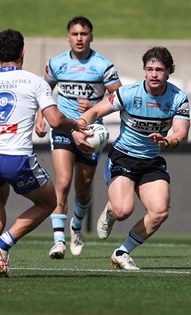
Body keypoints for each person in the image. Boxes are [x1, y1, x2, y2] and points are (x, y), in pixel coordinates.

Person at [0, 29, 84, 277]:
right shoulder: (34, 81)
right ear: (22, 53)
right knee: (49, 202)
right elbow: (54, 119)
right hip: (16, 157)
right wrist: (74, 125)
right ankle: (3, 244)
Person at [72, 46, 190, 269]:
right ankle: (110, 211)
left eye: (159, 70)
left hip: (152, 161)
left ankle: (122, 252)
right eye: (149, 69)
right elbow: (94, 112)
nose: (154, 74)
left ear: (168, 72)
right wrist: (78, 129)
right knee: (123, 210)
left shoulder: (178, 98)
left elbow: (181, 133)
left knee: (160, 212)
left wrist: (167, 141)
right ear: (144, 71)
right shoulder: (128, 93)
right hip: (123, 158)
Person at [37, 15, 122, 259]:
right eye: (75, 34)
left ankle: (76, 226)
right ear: (68, 37)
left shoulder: (103, 65)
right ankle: (58, 241)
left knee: (83, 190)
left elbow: (120, 98)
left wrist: (95, 104)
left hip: (91, 132)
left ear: (91, 36)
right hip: (64, 129)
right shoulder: (56, 63)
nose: (79, 38)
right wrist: (39, 117)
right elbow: (44, 91)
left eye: (84, 34)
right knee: (62, 184)